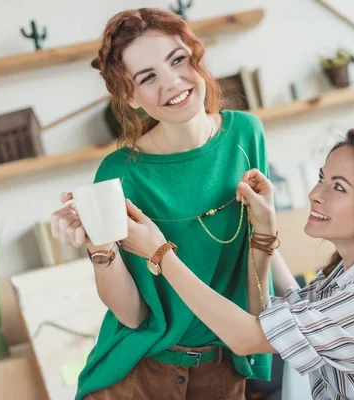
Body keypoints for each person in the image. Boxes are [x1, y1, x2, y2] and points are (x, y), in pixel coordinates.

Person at [50, 8, 295, 400]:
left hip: (221, 372)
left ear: (196, 58)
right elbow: (132, 315)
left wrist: (305, 301)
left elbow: (256, 248)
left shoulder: (246, 134)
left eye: (177, 60)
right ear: (130, 97)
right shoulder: (121, 174)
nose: (173, 82)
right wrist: (98, 247)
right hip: (137, 375)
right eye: (147, 77)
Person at [121, 128, 354, 399]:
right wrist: (264, 232)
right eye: (323, 178)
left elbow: (247, 336)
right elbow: (275, 315)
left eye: (338, 187)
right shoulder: (353, 275)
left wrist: (161, 254)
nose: (315, 193)